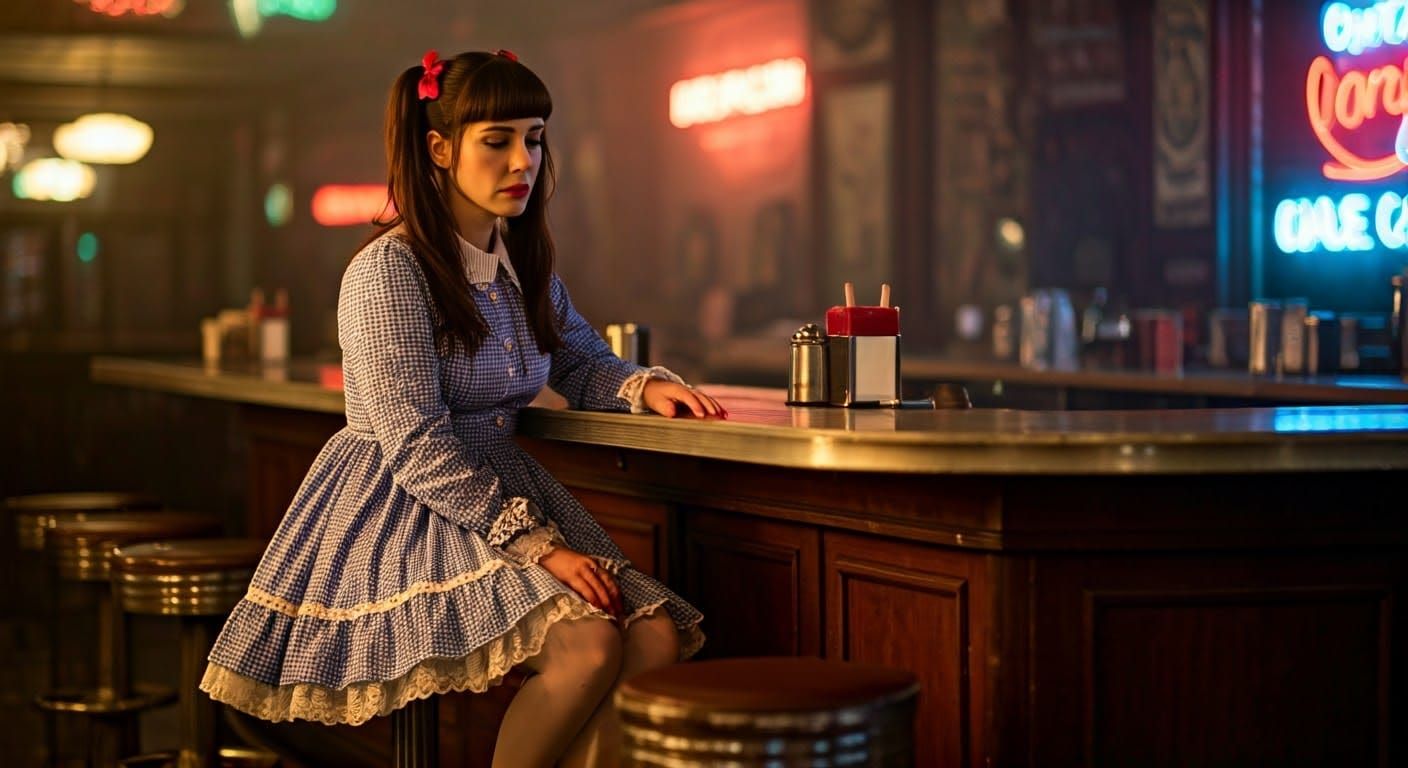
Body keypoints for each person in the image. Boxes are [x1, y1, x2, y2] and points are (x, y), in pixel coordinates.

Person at [200, 49, 720, 766]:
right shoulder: (389, 270)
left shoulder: (522, 263)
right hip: (406, 506)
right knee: (590, 643)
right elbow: (415, 447)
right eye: (497, 140)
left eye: (534, 138)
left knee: (653, 636)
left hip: (501, 482)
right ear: (440, 150)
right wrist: (543, 547)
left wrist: (642, 386)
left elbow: (579, 361)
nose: (522, 161)